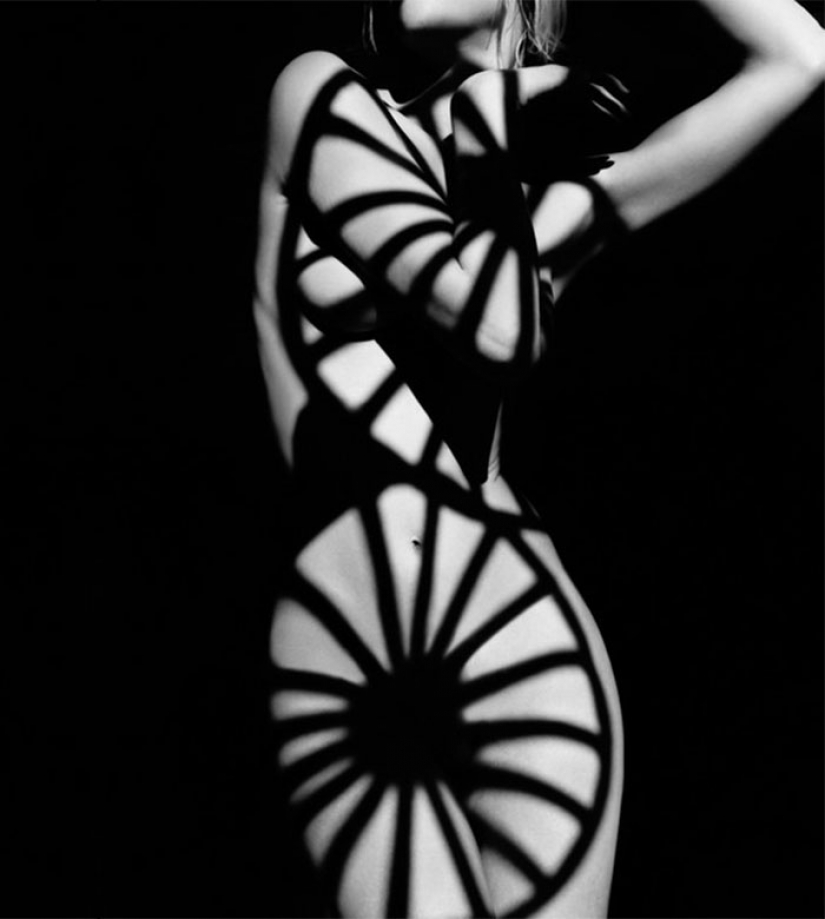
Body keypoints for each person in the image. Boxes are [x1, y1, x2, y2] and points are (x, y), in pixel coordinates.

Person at [252, 1, 824, 915]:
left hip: (523, 632)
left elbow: (800, 54)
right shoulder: (321, 94)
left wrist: (499, 130)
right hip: (355, 649)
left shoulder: (536, 194)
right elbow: (494, 323)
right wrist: (491, 123)